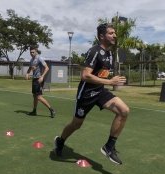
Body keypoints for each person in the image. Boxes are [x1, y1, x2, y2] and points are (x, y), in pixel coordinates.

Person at [54, 23, 130, 165]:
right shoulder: (94, 51)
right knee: (76, 125)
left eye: (114, 33)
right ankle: (60, 141)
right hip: (86, 94)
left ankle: (109, 147)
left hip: (100, 91)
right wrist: (109, 81)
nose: (115, 35)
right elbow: (85, 76)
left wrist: (107, 82)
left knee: (124, 110)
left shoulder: (110, 53)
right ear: (102, 36)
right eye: (111, 33)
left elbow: (102, 73)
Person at [25, 46, 55, 118]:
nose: (32, 53)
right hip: (34, 79)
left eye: (33, 52)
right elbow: (30, 68)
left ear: (36, 52)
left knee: (39, 97)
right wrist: (27, 73)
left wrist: (42, 77)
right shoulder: (32, 60)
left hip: (39, 79)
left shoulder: (39, 58)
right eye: (31, 52)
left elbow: (47, 68)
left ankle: (51, 109)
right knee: (34, 96)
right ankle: (34, 111)